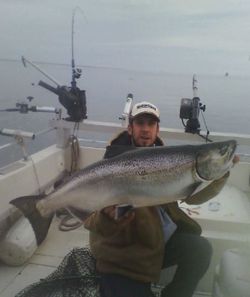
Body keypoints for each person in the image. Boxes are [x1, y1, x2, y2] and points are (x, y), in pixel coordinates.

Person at [84, 101, 239, 297]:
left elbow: (192, 196)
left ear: (158, 129)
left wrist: (220, 172)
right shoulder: (110, 167)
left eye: (151, 124)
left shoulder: (170, 160)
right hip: (123, 257)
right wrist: (107, 216)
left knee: (200, 250)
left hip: (158, 243)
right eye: (140, 123)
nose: (146, 130)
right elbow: (92, 220)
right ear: (130, 128)